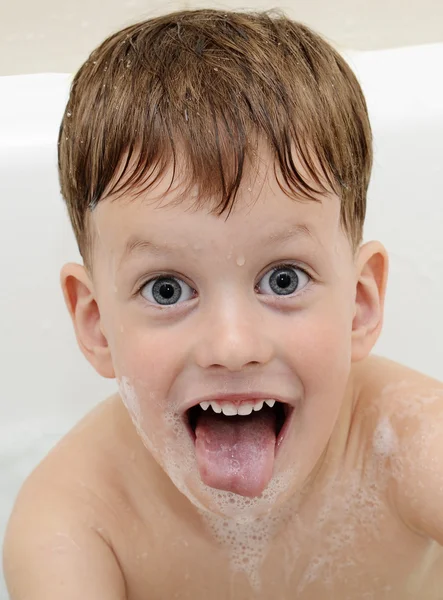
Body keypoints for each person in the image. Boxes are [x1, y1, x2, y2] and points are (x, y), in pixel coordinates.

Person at [3, 8, 443, 599]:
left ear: (360, 304)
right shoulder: (73, 523)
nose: (232, 347)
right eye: (167, 290)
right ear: (96, 324)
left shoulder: (411, 445)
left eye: (283, 280)